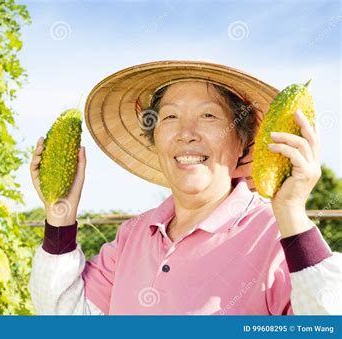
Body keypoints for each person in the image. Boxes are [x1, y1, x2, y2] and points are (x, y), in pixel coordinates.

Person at [28, 61, 341, 315]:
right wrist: (60, 217)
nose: (186, 133)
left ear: (243, 141)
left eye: (208, 115)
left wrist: (290, 213)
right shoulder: (133, 235)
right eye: (170, 116)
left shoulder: (278, 236)